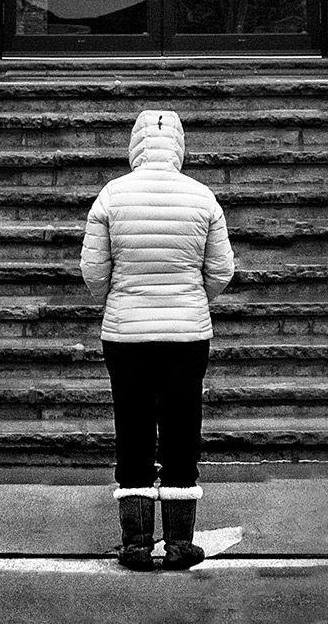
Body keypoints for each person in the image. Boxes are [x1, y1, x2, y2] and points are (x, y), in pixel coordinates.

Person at [80, 107, 234, 571]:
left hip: (126, 334)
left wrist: (119, 298)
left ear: (135, 143)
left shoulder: (111, 195)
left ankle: (136, 543)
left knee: (133, 428)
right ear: (180, 146)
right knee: (183, 428)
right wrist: (191, 297)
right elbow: (222, 270)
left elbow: (92, 271)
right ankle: (181, 544)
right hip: (187, 334)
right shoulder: (203, 198)